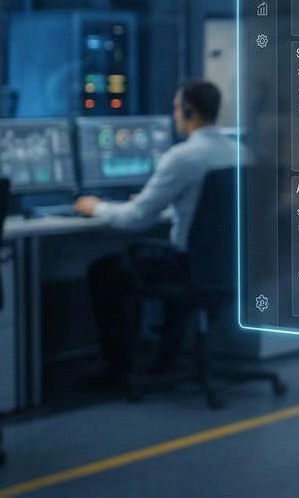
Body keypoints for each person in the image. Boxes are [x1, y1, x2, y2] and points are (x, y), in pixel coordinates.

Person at [76, 80, 242, 380]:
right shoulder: (240, 153)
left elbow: (136, 220)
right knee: (173, 262)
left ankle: (120, 369)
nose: (175, 114)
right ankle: (166, 357)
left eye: (177, 108)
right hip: (230, 265)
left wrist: (95, 208)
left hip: (191, 267)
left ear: (188, 110)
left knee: (106, 271)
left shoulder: (182, 157)